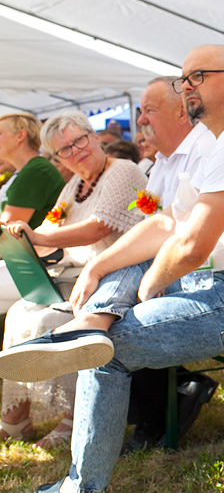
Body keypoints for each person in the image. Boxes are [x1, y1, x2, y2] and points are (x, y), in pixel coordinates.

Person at [0, 44, 224, 493]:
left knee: (105, 350)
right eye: (182, 79)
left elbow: (189, 245)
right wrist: (99, 268)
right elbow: (167, 220)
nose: (187, 87)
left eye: (199, 76)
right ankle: (92, 320)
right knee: (107, 317)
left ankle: (81, 486)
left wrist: (150, 285)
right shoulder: (223, 137)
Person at [0, 111, 147, 449]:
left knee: (55, 319)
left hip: (117, 279)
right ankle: (15, 416)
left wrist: (37, 238)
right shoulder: (73, 185)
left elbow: (100, 227)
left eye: (79, 140)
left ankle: (71, 418)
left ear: (94, 137)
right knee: (20, 312)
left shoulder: (122, 170)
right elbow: (52, 228)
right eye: (64, 149)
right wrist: (27, 239)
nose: (76, 151)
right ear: (57, 157)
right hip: (77, 278)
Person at [121, 76, 218, 454]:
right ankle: (178, 391)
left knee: (128, 310)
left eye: (149, 110)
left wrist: (151, 276)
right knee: (113, 299)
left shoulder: (203, 151)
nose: (141, 119)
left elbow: (185, 234)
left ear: (181, 112)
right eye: (140, 111)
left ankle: (158, 415)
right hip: (163, 265)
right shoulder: (158, 163)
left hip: (199, 270)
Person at [0, 113, 65, 315]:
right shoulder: (27, 170)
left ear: (21, 136)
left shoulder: (36, 170)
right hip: (22, 262)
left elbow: (6, 230)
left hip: (34, 267)